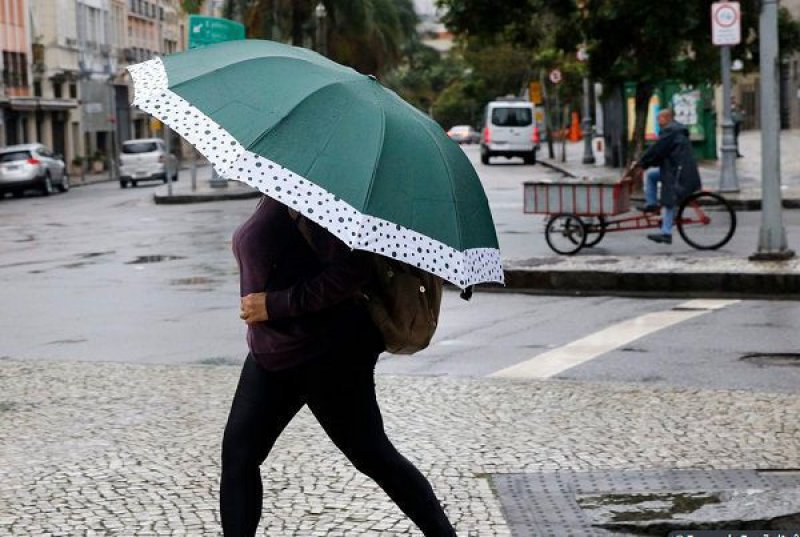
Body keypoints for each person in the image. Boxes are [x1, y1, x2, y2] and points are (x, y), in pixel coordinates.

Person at [221, 195, 457, 537]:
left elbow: (351, 272)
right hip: (272, 353)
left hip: (325, 354)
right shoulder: (280, 191)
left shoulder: (317, 197)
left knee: (373, 455)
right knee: (239, 456)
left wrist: (276, 304)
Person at [634, 108, 702, 244]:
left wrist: (641, 163)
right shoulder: (675, 130)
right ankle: (652, 204)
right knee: (652, 176)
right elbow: (662, 153)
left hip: (678, 172)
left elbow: (657, 149)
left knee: (670, 198)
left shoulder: (671, 131)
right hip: (677, 169)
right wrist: (646, 164)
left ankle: (666, 234)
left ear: (666, 118)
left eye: (659, 119)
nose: (658, 122)